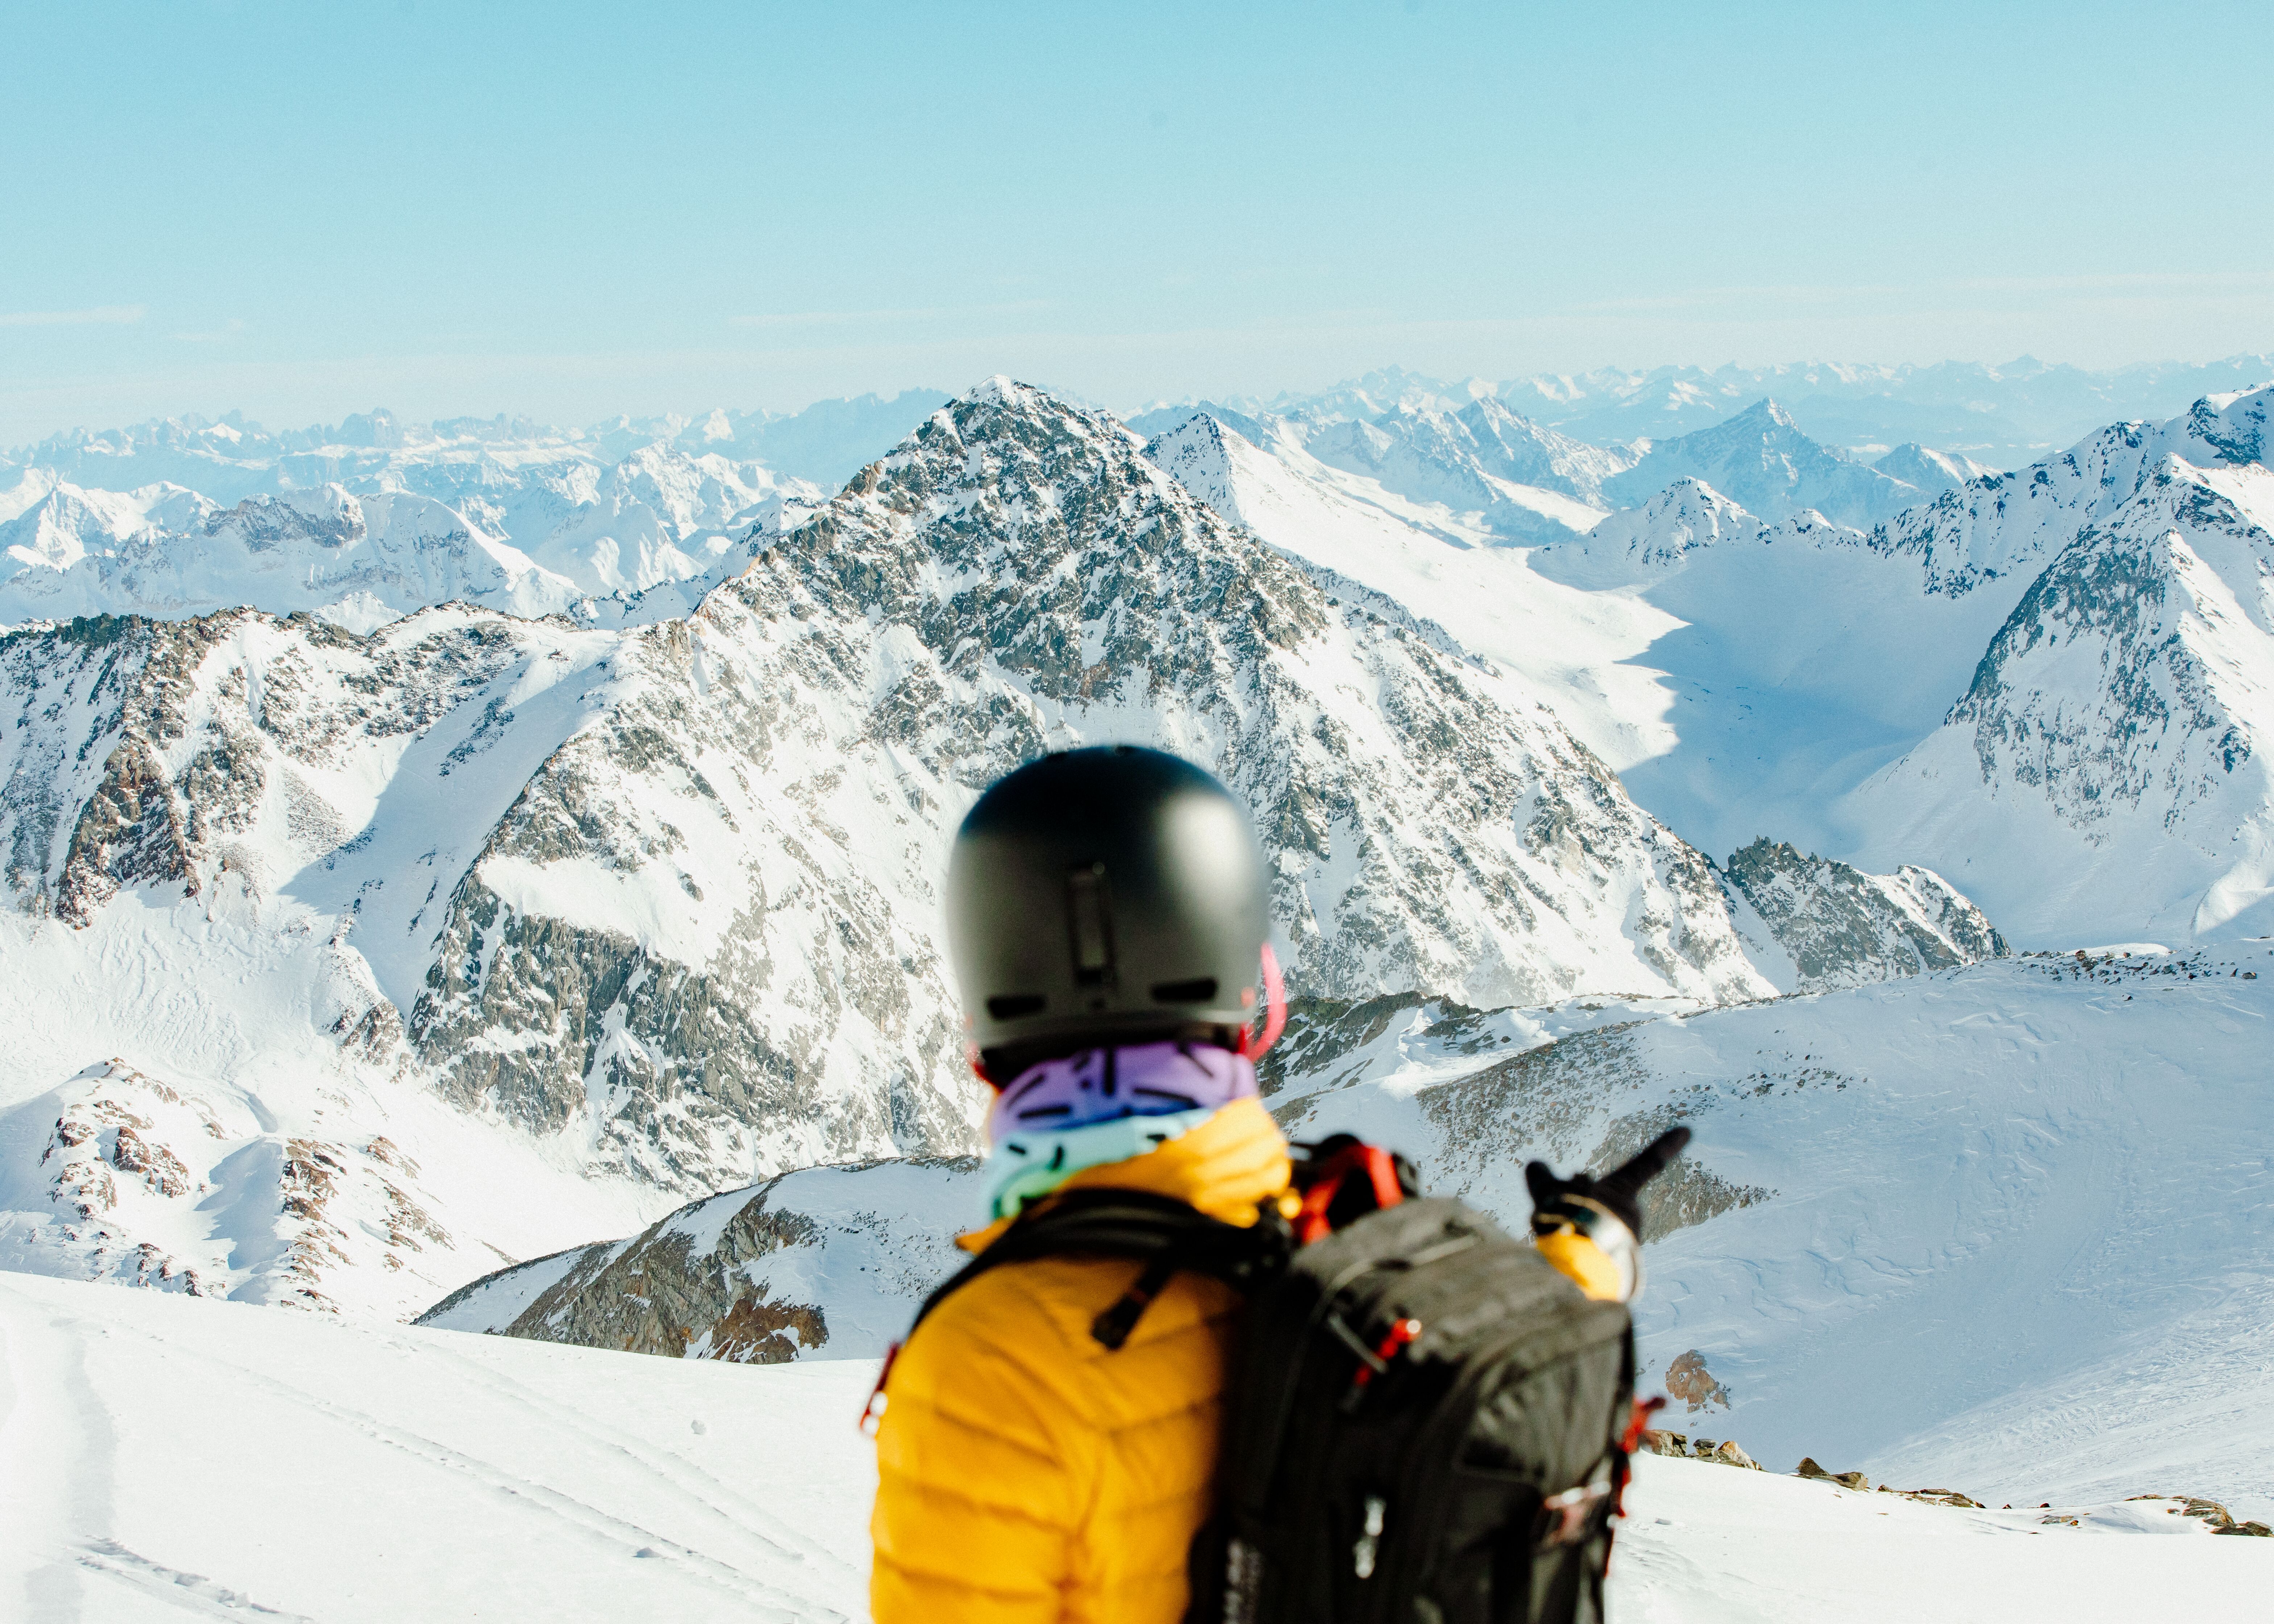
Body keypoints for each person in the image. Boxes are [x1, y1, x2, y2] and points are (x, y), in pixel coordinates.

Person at [868, 745, 1672, 1624]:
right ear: (1246, 991)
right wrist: (1598, 1235)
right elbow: (1517, 1320)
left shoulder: (992, 1362)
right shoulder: (1351, 1225)